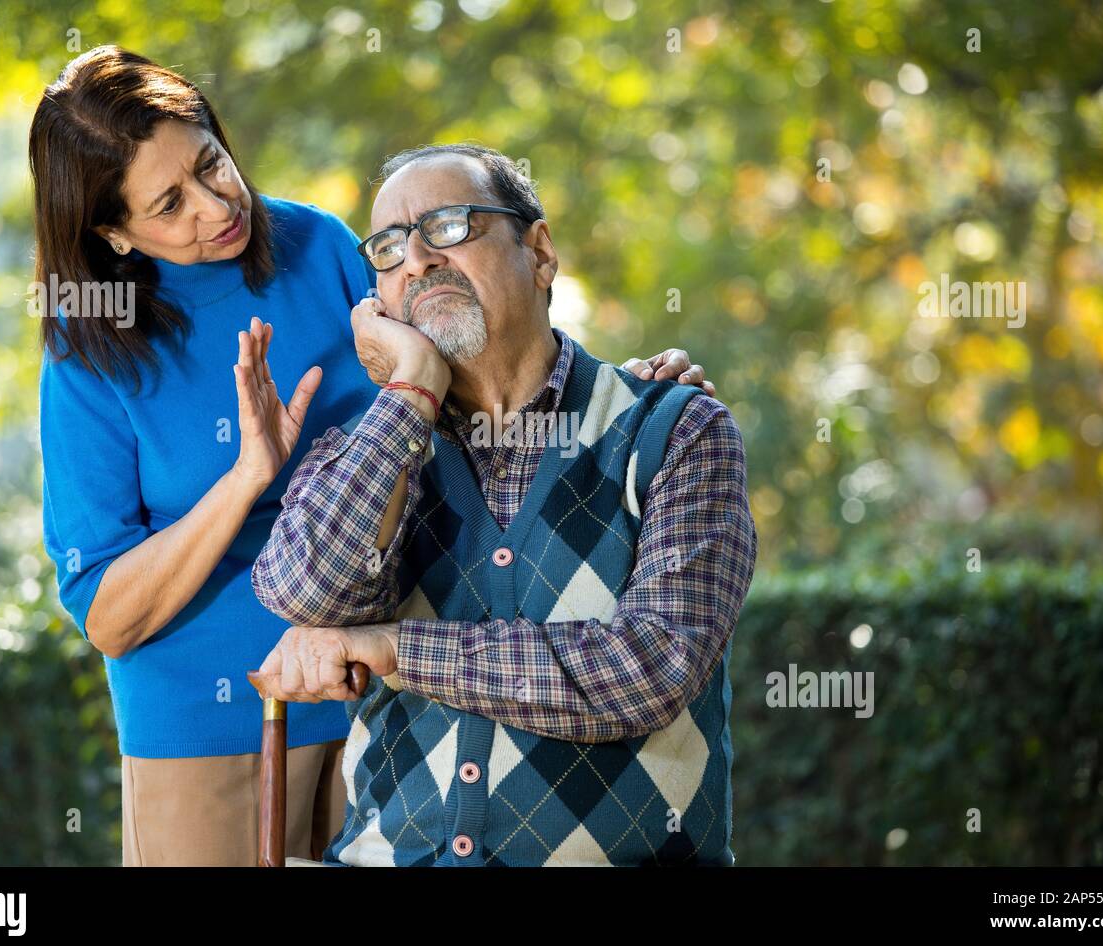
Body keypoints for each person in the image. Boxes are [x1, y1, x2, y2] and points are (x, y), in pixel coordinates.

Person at [34, 46, 716, 865]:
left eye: (212, 164)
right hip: (210, 721)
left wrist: (613, 393)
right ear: (113, 233)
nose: (218, 205)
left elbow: (458, 335)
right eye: (171, 204)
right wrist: (250, 472)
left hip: (390, 686)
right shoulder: (91, 348)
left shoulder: (316, 244)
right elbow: (108, 615)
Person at [252, 144, 758, 866]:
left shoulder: (675, 430)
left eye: (449, 225)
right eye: (389, 249)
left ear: (540, 252)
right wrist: (412, 388)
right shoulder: (366, 455)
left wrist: (396, 650)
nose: (418, 259)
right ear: (378, 303)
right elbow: (307, 592)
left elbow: (649, 668)